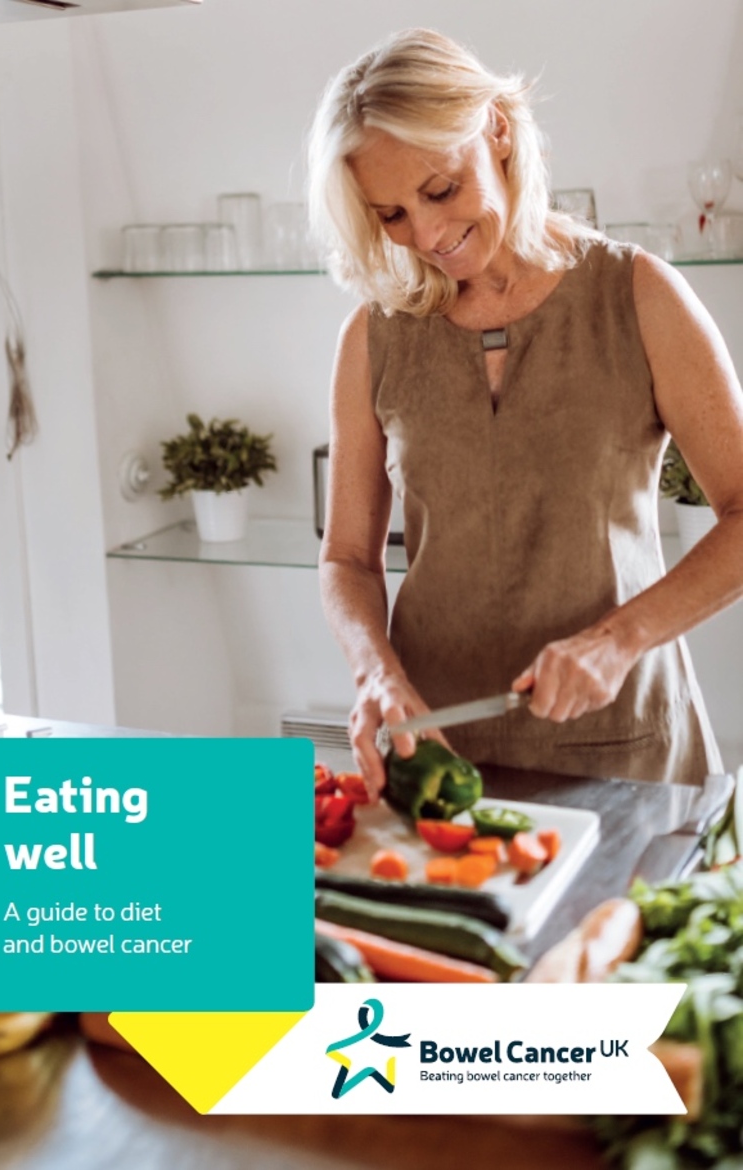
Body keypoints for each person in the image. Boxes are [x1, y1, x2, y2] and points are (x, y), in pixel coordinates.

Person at [307, 28, 743, 799]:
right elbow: (347, 558)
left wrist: (620, 640)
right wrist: (375, 673)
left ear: (498, 130)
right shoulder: (372, 336)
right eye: (391, 214)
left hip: (625, 753)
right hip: (437, 755)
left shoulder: (641, 296)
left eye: (440, 190)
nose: (428, 234)